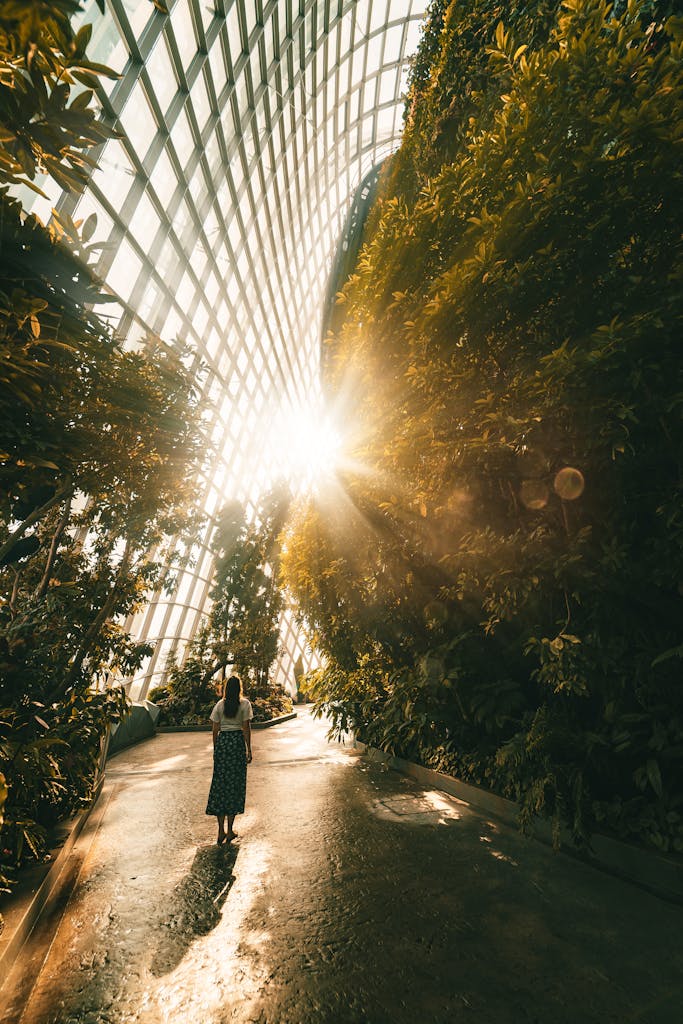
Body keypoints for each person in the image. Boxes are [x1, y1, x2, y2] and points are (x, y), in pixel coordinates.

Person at [205, 674, 253, 845]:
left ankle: (220, 831)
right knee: (234, 786)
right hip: (237, 744)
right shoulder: (245, 704)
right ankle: (230, 830)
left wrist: (216, 749)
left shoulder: (220, 705)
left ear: (226, 689)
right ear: (239, 688)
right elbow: (246, 728)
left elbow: (215, 728)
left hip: (224, 743)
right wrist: (249, 749)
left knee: (221, 786)